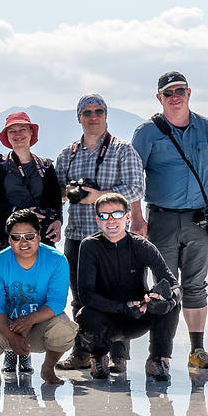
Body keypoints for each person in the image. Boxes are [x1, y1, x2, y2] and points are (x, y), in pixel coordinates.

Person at [130, 71, 208, 372]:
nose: (175, 96)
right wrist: (137, 219)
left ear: (189, 93)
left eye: (180, 90)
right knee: (164, 286)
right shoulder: (147, 132)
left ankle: (197, 350)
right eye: (168, 92)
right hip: (160, 218)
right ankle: (159, 356)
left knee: (195, 285)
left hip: (200, 220)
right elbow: (135, 179)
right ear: (159, 98)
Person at [53, 94, 147, 370]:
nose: (93, 117)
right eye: (86, 112)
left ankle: (118, 355)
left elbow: (136, 189)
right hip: (77, 234)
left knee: (119, 294)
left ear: (106, 115)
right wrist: (68, 195)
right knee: (81, 297)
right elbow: (56, 193)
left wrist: (99, 196)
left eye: (98, 111)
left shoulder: (123, 150)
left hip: (113, 236)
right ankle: (83, 352)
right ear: (78, 117)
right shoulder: (66, 154)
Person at [75, 192, 180, 381]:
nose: (110, 221)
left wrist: (168, 300)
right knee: (86, 313)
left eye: (116, 214)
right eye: (104, 216)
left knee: (170, 304)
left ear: (127, 217)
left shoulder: (142, 246)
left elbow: (172, 283)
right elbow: (86, 295)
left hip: (138, 315)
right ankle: (98, 356)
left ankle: (157, 359)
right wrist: (121, 307)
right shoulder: (90, 246)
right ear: (97, 220)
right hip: (107, 317)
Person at [0, 208, 78, 385]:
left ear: (39, 236)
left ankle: (48, 367)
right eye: (16, 237)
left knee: (65, 328)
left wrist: (31, 319)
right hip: (9, 327)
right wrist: (11, 334)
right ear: (9, 239)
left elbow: (57, 302)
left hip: (40, 326)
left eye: (29, 236)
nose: (23, 242)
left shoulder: (57, 259)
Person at [0, 112, 63, 251]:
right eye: (12, 131)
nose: (17, 134)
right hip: (7, 236)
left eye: (22, 129)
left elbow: (55, 200)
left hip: (41, 235)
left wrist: (58, 220)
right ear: (7, 136)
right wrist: (20, 212)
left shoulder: (45, 166)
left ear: (31, 132)